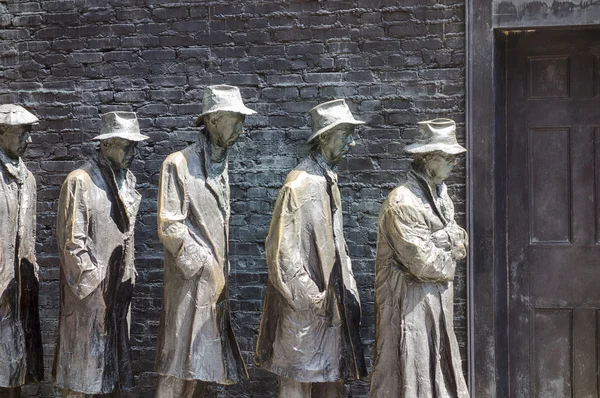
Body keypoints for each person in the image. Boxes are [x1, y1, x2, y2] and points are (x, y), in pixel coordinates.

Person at [255, 99, 367, 398]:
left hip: (330, 306)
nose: (352, 143)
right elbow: (281, 254)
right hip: (304, 309)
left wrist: (346, 292)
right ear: (325, 137)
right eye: (346, 134)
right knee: (297, 380)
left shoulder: (329, 180)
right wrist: (310, 299)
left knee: (331, 378)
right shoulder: (300, 184)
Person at [155, 85, 256, 398]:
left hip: (212, 287)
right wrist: (206, 265)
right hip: (188, 284)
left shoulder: (221, 164)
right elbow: (170, 226)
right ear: (212, 121)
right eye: (235, 119)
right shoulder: (179, 163)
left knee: (197, 367)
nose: (241, 127)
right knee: (177, 368)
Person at [369, 118, 470, 398]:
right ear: (427, 158)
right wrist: (447, 247)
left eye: (453, 157)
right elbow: (425, 263)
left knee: (437, 368)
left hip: (434, 300)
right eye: (447, 157)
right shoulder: (403, 203)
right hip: (408, 304)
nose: (453, 163)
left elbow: (461, 239)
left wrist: (446, 241)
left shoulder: (440, 194)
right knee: (411, 373)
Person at [53, 112, 148, 397]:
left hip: (118, 295)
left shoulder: (126, 181)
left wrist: (125, 280)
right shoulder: (80, 181)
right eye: (126, 145)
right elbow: (72, 244)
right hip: (90, 298)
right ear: (105, 145)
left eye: (135, 146)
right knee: (83, 375)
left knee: (111, 374)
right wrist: (95, 285)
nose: (132, 152)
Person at [0, 104, 43, 398]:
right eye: (22, 132)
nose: (29, 139)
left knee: (16, 362)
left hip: (20, 285)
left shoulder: (28, 179)